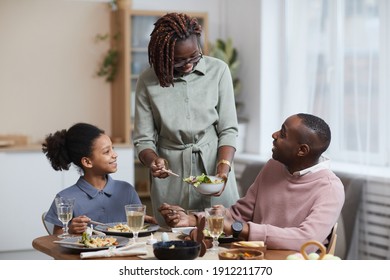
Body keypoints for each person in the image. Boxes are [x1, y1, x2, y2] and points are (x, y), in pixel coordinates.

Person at [159, 113, 345, 252]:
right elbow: (238, 215)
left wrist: (240, 229)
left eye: (283, 133)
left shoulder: (330, 188)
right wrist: (193, 219)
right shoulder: (273, 167)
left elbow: (307, 240)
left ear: (302, 150)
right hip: (255, 258)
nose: (274, 135)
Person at [133, 12, 239, 225]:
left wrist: (222, 171)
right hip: (172, 177)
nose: (189, 65)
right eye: (179, 61)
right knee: (174, 243)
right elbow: (143, 140)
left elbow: (228, 129)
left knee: (220, 234)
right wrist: (153, 162)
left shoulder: (218, 71)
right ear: (163, 55)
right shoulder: (147, 81)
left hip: (213, 169)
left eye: (194, 56)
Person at [43, 123, 156, 235]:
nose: (115, 154)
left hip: (126, 252)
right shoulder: (65, 198)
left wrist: (147, 221)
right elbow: (56, 237)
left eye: (113, 148)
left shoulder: (127, 190)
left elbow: (138, 227)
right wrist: (70, 230)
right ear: (87, 162)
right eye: (107, 151)